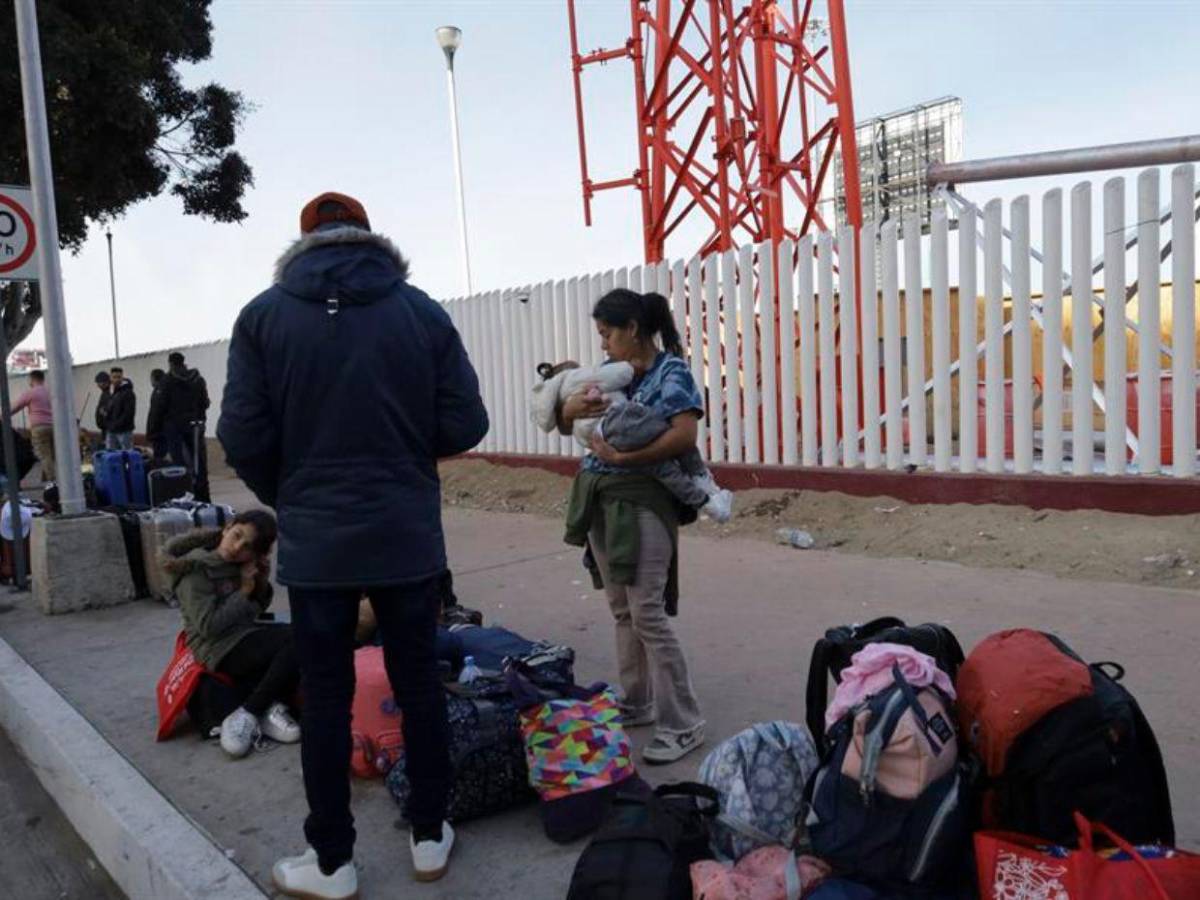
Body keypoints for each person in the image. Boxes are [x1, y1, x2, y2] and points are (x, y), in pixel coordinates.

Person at [219, 191, 488, 898]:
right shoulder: (420, 311)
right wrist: (403, 463)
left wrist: (294, 490)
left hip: (318, 543)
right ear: (367, 238)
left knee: (327, 694)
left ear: (304, 242)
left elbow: (242, 433)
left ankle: (333, 862)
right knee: (420, 685)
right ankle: (430, 834)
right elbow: (466, 420)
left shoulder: (263, 318)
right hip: (405, 534)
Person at [559, 288, 707, 765]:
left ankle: (683, 722)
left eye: (607, 334)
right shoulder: (611, 377)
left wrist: (625, 457)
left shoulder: (671, 373)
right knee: (622, 609)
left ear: (633, 330)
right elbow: (565, 418)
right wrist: (569, 409)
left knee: (647, 612)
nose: (603, 345)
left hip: (643, 502)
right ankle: (637, 699)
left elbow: (683, 434)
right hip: (601, 502)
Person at [163, 509, 301, 759]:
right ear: (227, 528)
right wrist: (244, 592)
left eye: (247, 546)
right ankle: (249, 711)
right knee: (296, 639)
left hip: (244, 637)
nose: (237, 547)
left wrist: (259, 583)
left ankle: (267, 708)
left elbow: (253, 613)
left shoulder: (237, 566)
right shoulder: (195, 570)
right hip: (217, 647)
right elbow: (209, 626)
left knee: (305, 637)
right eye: (236, 535)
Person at [532, 360, 732, 522]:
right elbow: (622, 374)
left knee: (662, 467)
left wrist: (567, 411)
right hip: (620, 426)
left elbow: (564, 428)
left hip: (607, 446)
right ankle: (703, 484)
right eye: (605, 334)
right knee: (670, 436)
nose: (604, 343)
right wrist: (631, 367)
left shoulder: (565, 398)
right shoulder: (579, 378)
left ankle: (706, 503)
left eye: (606, 335)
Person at [163, 351, 211, 500]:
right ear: (184, 362)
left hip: (176, 428)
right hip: (196, 426)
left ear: (170, 363)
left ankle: (187, 498)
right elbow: (205, 402)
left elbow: (161, 406)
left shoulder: (168, 381)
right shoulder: (198, 379)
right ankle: (204, 498)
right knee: (200, 464)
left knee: (181, 465)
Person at [12, 370, 54, 482]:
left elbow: (15, 407)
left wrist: (3, 415)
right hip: (53, 426)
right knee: (50, 454)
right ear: (43, 379)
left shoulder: (31, 393)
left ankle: (52, 482)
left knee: (43, 454)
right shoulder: (49, 392)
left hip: (39, 427)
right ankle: (46, 479)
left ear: (32, 379)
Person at [105, 367, 136, 451]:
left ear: (122, 377)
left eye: (119, 377)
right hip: (112, 430)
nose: (116, 379)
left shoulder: (128, 392)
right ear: (110, 378)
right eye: (114, 377)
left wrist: (116, 424)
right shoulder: (112, 392)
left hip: (124, 431)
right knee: (111, 455)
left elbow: (129, 413)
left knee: (126, 455)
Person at [146, 369, 169, 461]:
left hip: (159, 431)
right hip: (162, 430)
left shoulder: (159, 392)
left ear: (154, 379)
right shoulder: (162, 390)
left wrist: (152, 430)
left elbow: (155, 414)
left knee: (159, 457)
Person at [94, 371, 112, 447]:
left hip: (109, 429)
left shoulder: (110, 393)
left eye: (98, 383)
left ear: (105, 382)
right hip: (105, 428)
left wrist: (103, 412)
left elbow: (109, 411)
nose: (97, 385)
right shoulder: (104, 393)